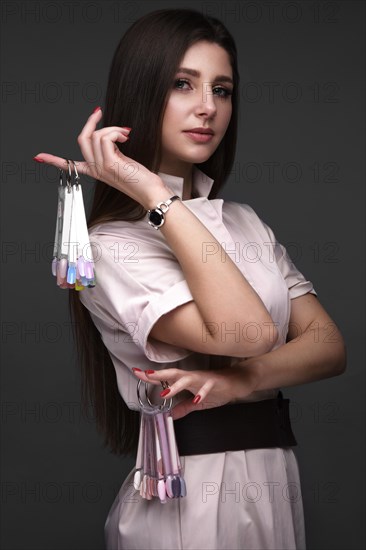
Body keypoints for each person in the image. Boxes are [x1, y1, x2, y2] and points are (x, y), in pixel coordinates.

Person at [33, 8, 346, 550]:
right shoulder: (109, 246)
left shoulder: (245, 221)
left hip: (274, 479)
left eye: (222, 89)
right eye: (183, 84)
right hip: (190, 496)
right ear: (142, 91)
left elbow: (329, 347)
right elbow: (247, 334)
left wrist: (244, 382)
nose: (208, 107)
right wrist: (154, 194)